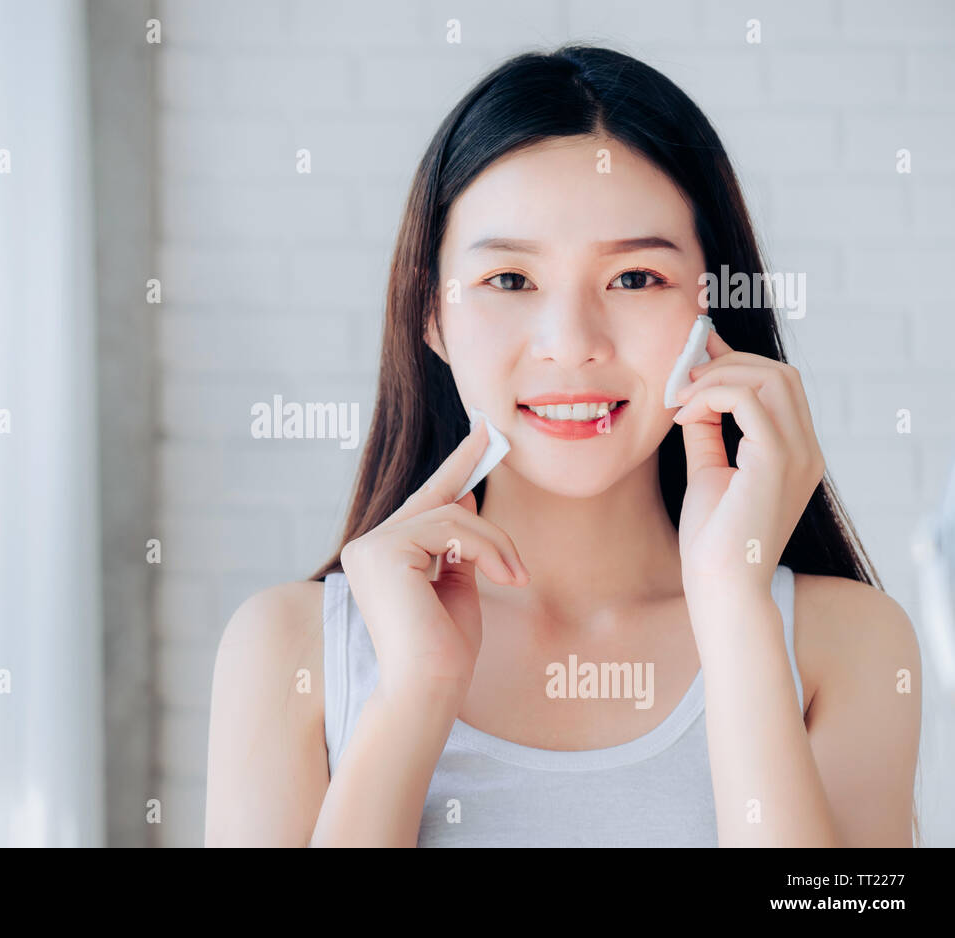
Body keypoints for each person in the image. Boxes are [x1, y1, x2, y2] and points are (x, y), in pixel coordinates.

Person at [204, 45, 922, 847]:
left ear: (710, 307)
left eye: (635, 278)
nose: (571, 343)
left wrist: (735, 613)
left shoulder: (849, 644)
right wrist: (412, 696)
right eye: (510, 281)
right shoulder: (291, 652)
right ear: (431, 316)